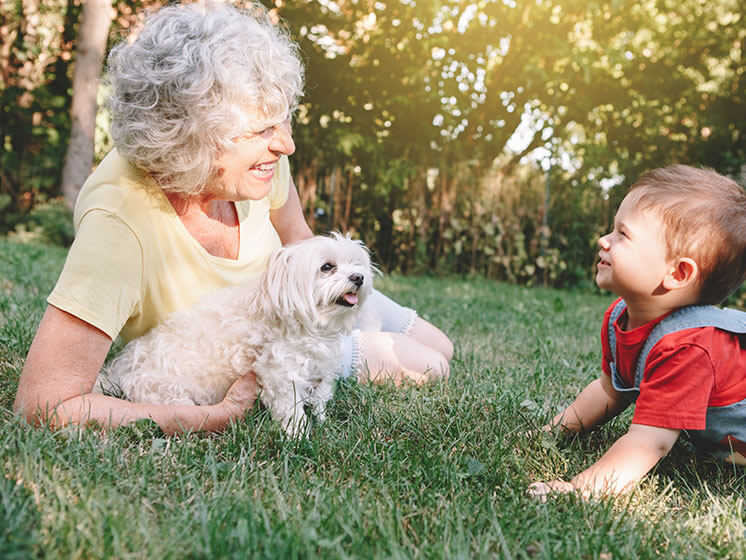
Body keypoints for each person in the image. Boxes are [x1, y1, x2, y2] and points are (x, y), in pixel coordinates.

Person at [14, 2, 452, 435]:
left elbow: (301, 241)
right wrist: (209, 417)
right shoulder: (119, 225)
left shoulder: (257, 165)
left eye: (283, 122)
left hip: (306, 304)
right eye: (263, 130)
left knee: (441, 344)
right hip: (270, 343)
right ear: (194, 139)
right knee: (431, 365)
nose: (286, 146)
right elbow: (43, 405)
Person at [529, 164, 746, 496]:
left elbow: (648, 442)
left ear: (677, 273)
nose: (603, 240)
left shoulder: (688, 348)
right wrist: (548, 433)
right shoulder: (621, 316)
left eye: (623, 234)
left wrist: (581, 489)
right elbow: (610, 390)